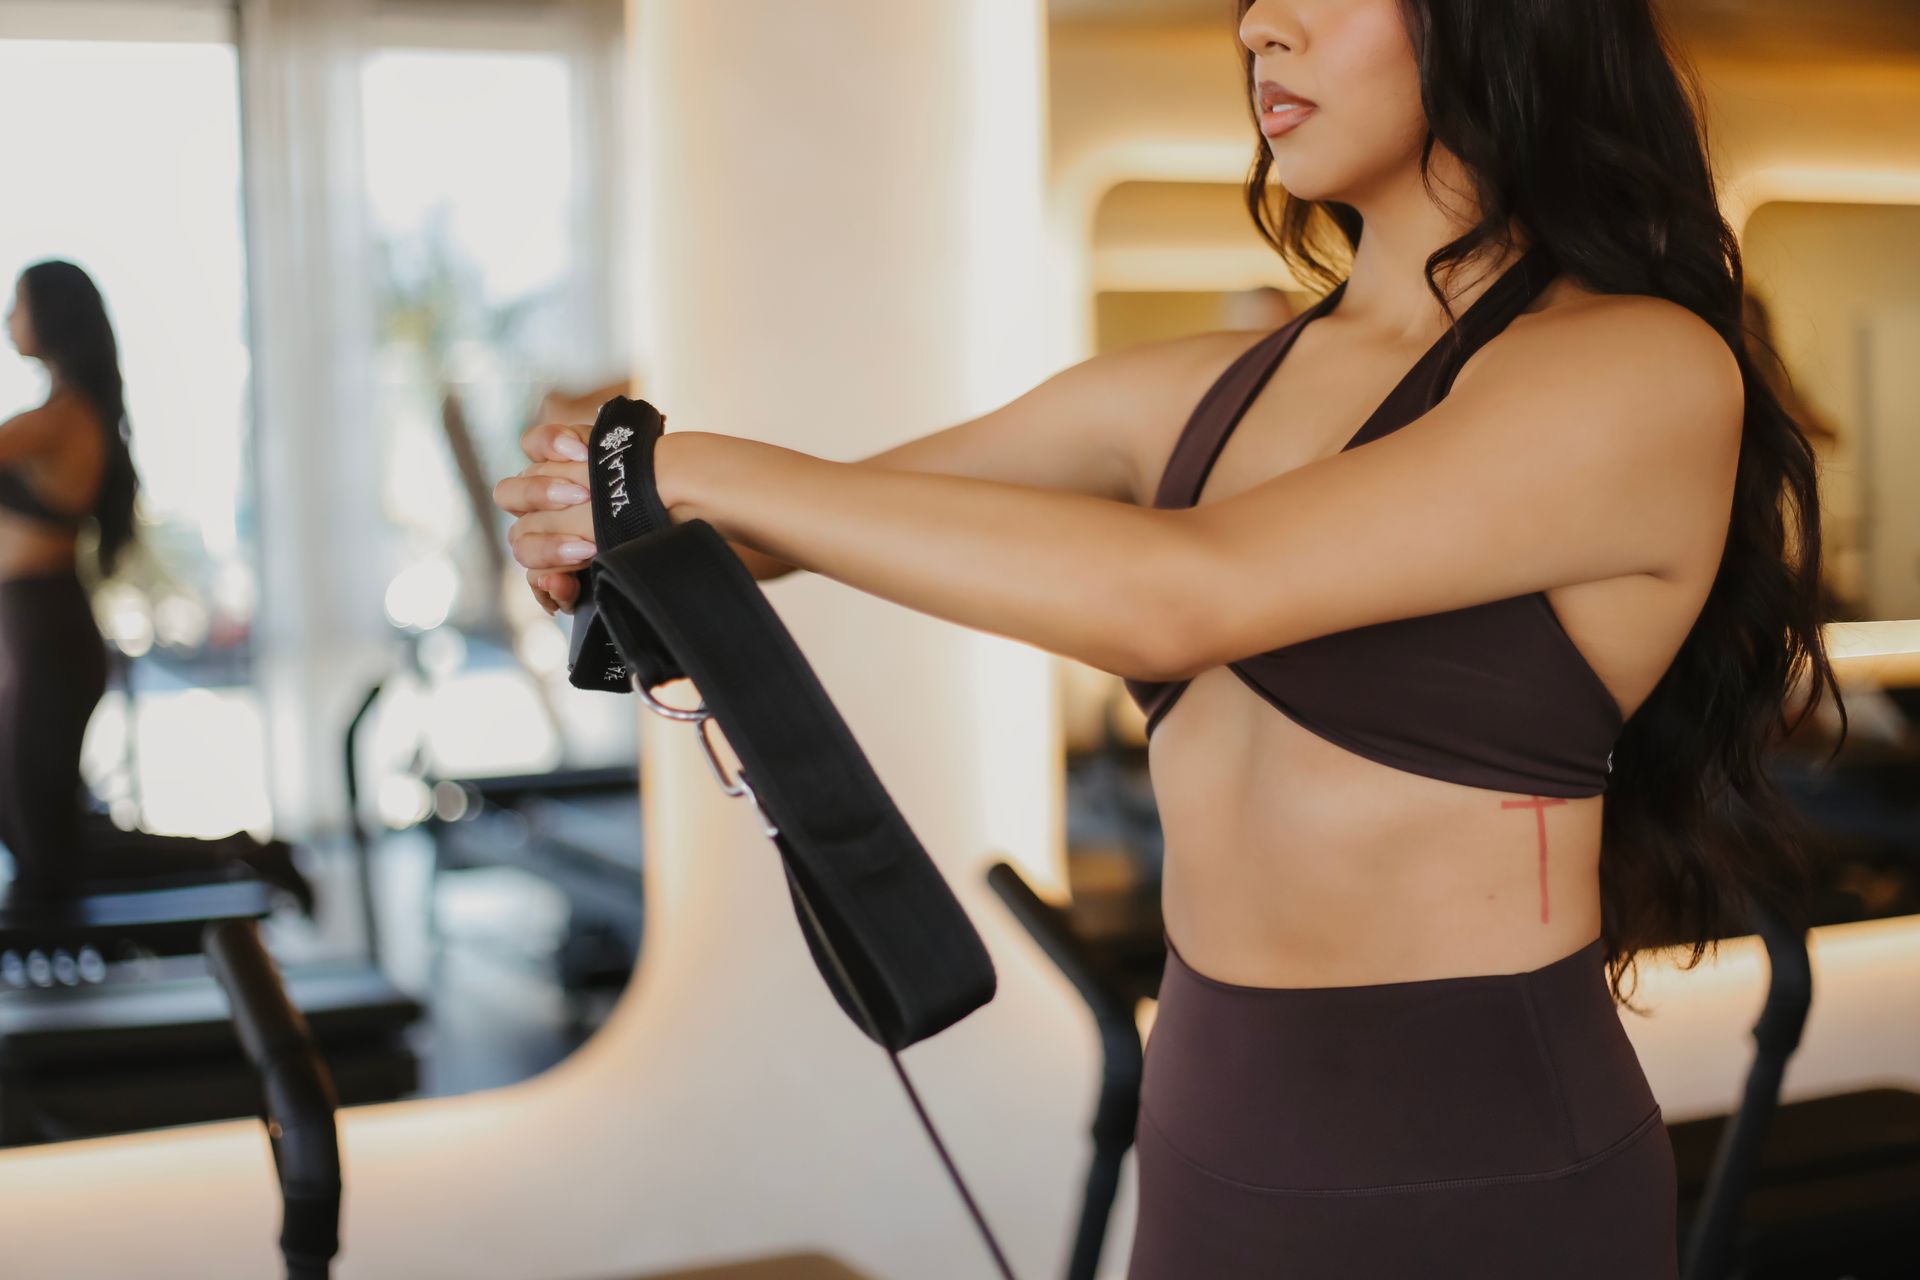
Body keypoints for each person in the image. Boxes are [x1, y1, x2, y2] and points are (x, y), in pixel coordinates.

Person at [493, 0, 1840, 1273]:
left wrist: (708, 472)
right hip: (1209, 1118)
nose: (1259, 21)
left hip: (1475, 1147)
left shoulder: (1638, 369)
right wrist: (597, 513)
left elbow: (1182, 593)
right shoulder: (1192, 392)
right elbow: (806, 523)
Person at [0, 259, 312, 914]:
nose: (8, 320)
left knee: (47, 855)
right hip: (32, 634)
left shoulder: (62, 417)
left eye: (17, 305)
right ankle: (235, 855)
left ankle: (240, 856)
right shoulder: (60, 413)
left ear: (50, 316)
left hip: (48, 636)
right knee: (32, 833)